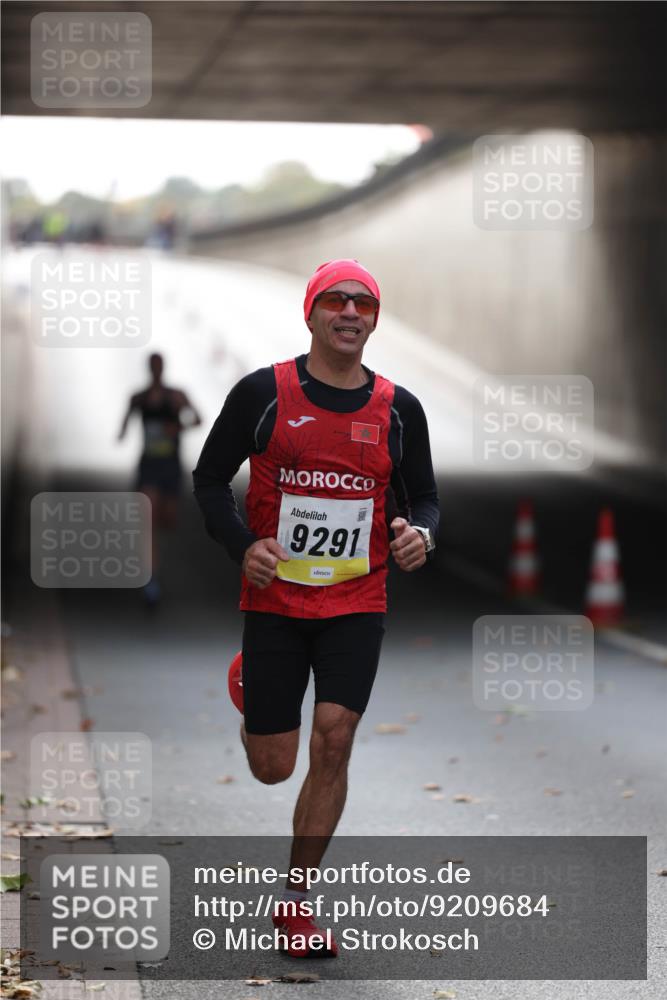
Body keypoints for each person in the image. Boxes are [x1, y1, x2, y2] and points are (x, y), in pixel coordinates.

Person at [193, 259, 439, 956]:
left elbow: (424, 496)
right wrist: (242, 544)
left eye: (364, 303)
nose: (350, 312)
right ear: (310, 313)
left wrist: (421, 533)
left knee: (334, 736)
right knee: (272, 765)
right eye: (335, 300)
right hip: (274, 598)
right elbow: (210, 478)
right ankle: (253, 687)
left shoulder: (398, 409)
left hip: (356, 598)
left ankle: (296, 903)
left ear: (373, 319)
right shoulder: (263, 393)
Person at [118, 352, 201, 605]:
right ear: (149, 369)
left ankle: (154, 562)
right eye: (152, 366)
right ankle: (151, 578)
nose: (155, 370)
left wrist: (177, 427)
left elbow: (198, 419)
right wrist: (123, 430)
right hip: (149, 466)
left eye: (158, 366)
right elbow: (122, 428)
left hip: (170, 466)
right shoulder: (139, 398)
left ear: (162, 368)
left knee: (168, 519)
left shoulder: (176, 396)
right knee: (149, 522)